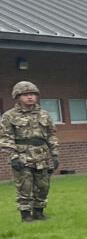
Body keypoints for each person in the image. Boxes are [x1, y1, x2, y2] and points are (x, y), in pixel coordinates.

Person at [1, 81, 59, 222]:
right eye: (26, 94)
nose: (30, 97)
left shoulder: (44, 115)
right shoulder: (9, 116)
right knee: (24, 186)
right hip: (22, 155)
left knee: (43, 186)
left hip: (42, 154)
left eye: (32, 94)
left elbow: (51, 135)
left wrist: (55, 154)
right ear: (18, 96)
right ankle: (26, 215)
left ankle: (39, 212)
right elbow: (5, 138)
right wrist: (13, 156)